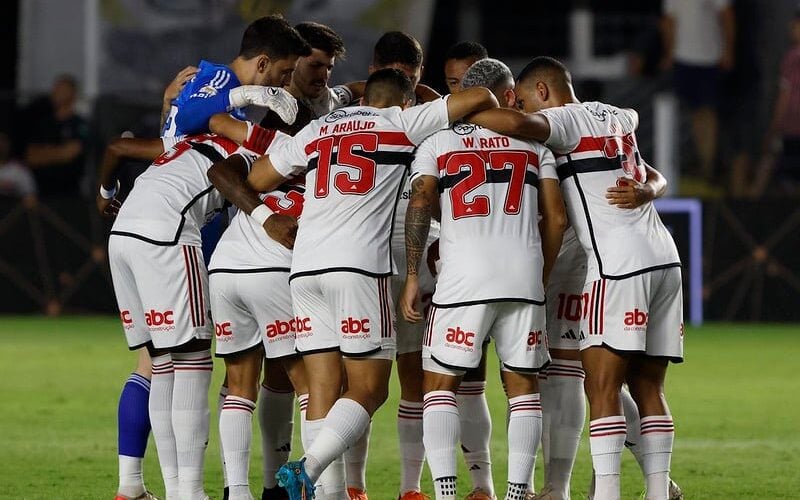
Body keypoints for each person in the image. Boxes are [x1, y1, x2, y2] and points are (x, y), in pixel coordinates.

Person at [205, 68, 498, 500]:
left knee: (323, 391)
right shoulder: (400, 122)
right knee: (370, 388)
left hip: (303, 270)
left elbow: (256, 180)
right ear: (403, 101)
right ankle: (309, 465)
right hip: (358, 270)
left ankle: (331, 494)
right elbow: (480, 97)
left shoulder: (319, 128)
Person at [469, 56, 683, 500]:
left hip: (618, 265)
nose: (524, 108)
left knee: (600, 384)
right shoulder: (618, 114)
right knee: (647, 384)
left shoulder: (563, 119)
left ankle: (605, 493)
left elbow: (510, 124)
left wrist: (459, 106)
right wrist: (652, 188)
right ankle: (660, 492)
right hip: (665, 259)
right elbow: (643, 149)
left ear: (543, 92)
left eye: (527, 99)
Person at [398, 57, 566, 500]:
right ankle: (514, 493)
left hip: (463, 282)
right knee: (522, 388)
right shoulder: (537, 149)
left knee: (439, 385)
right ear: (506, 94)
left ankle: (447, 494)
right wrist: (541, 274)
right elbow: (558, 219)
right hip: (523, 277)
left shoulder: (437, 143)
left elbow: (420, 204)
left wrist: (413, 274)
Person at [660, 0, 735, 185]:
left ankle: (709, 164)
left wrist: (728, 51)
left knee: (708, 111)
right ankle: (703, 162)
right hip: (683, 57)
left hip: (709, 56)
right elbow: (669, 20)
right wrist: (670, 52)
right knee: (694, 112)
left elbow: (727, 16)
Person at [756, 8, 800, 197]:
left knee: (773, 166)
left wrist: (774, 128)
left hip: (791, 127)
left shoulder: (793, 57)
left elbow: (785, 95)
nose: (791, 27)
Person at [22, 74, 88, 197]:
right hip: (42, 191)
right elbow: (31, 156)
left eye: (61, 89)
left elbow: (72, 152)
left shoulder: (79, 124)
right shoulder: (43, 124)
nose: (56, 92)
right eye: (55, 89)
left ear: (72, 93)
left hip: (70, 193)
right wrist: (59, 152)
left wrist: (46, 152)